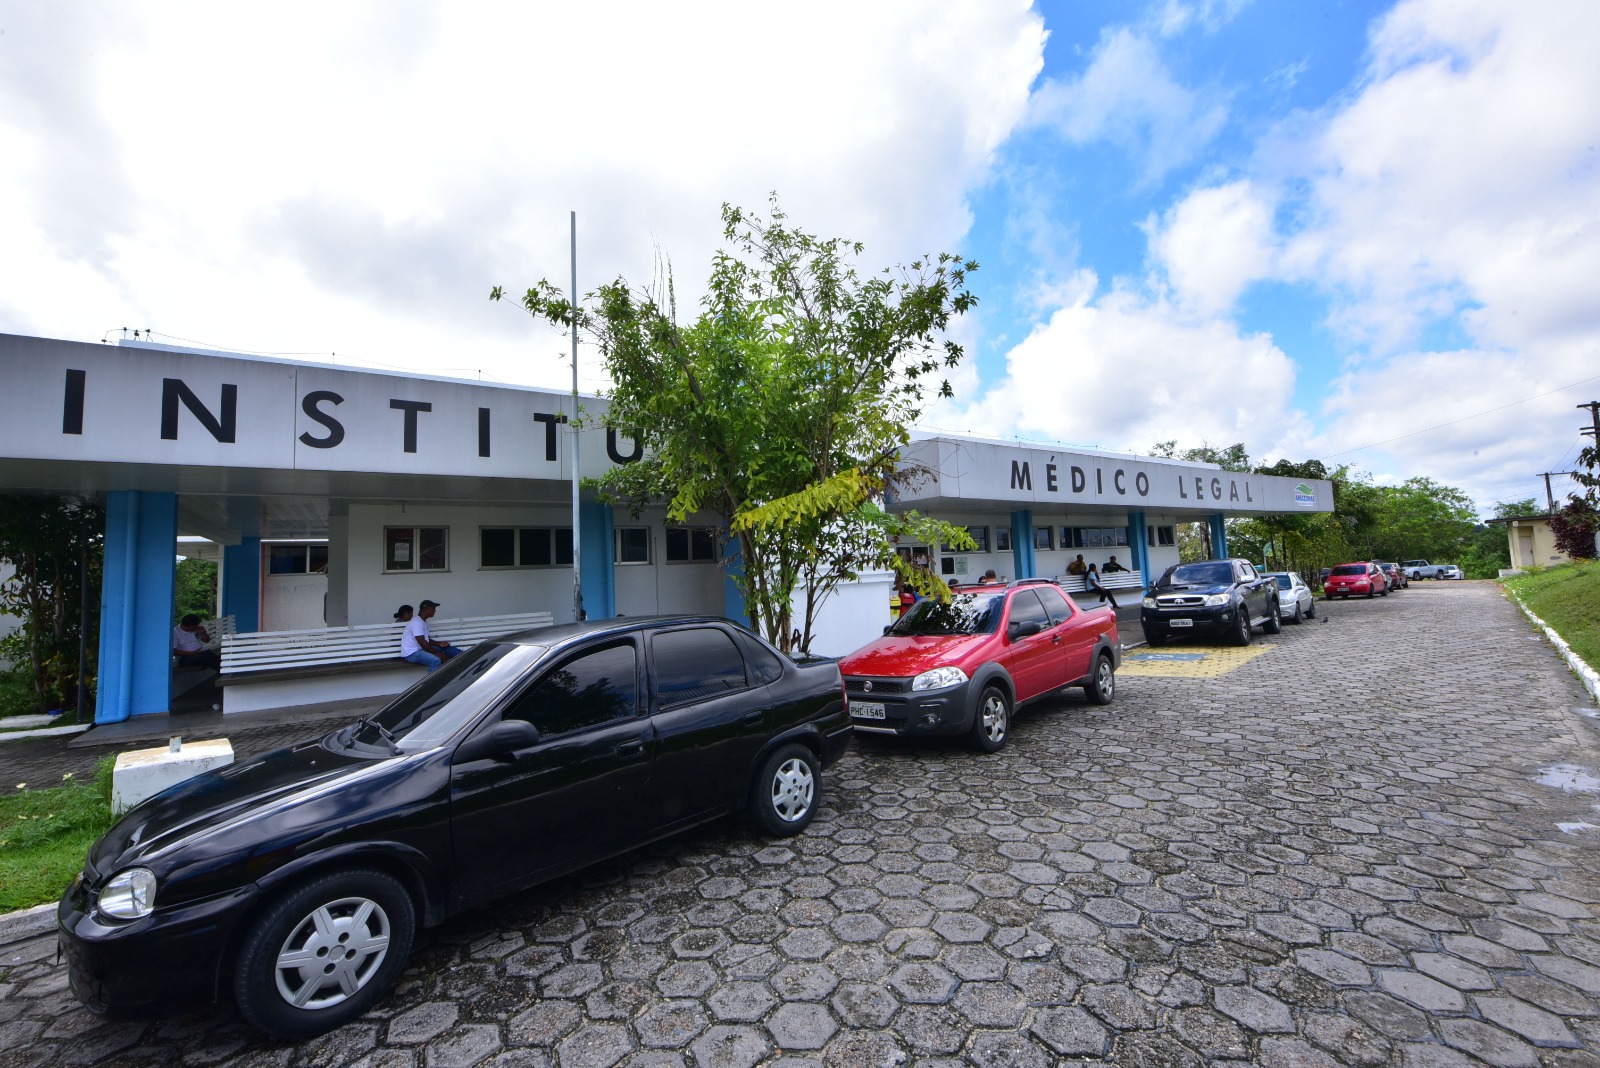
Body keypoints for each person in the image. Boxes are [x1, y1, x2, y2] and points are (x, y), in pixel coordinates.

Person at [401, 599, 460, 672]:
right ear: (427, 609)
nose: (435, 611)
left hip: (420, 649)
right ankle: (434, 683)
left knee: (445, 648)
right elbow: (422, 642)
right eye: (433, 609)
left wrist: (439, 643)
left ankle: (464, 656)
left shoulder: (424, 623)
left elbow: (426, 641)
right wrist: (437, 653)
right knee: (435, 661)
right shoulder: (417, 623)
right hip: (411, 653)